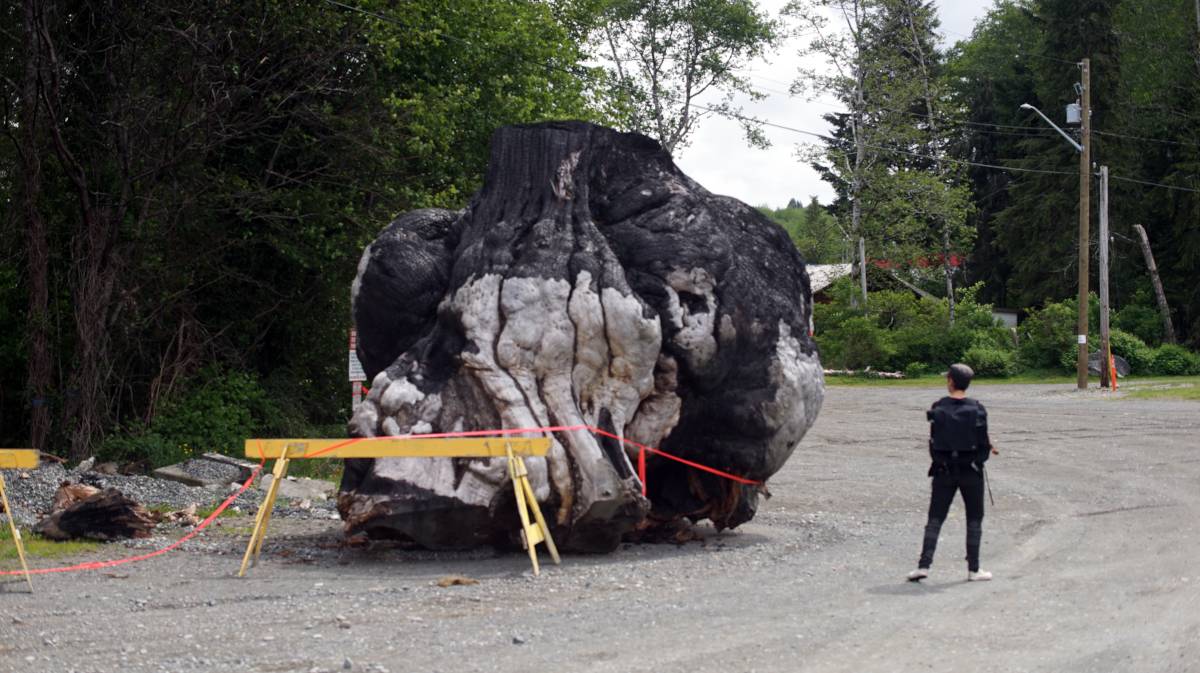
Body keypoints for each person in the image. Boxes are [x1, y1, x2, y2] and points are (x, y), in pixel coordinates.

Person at [907, 363, 996, 582]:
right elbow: (983, 444)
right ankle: (974, 569)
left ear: (950, 381)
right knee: (974, 518)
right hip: (971, 471)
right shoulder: (978, 408)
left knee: (935, 518)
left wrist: (941, 461)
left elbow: (933, 441)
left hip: (943, 470)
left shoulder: (938, 407)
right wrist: (979, 458)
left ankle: (923, 566)